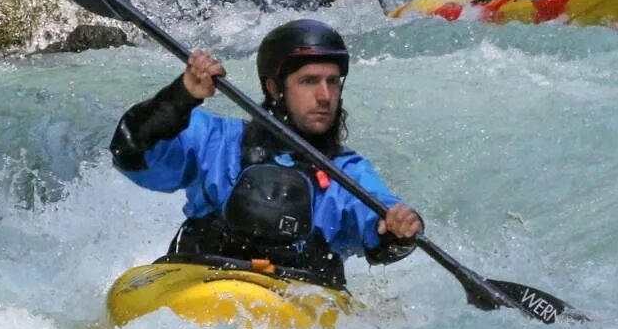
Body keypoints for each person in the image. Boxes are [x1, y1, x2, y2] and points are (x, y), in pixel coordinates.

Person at [110, 19, 423, 290]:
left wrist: (398, 230)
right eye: (309, 81)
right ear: (275, 88)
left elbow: (381, 224)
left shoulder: (347, 172)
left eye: (332, 82)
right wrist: (180, 97)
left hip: (298, 303)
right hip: (199, 284)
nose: (325, 96)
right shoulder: (215, 140)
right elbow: (130, 149)